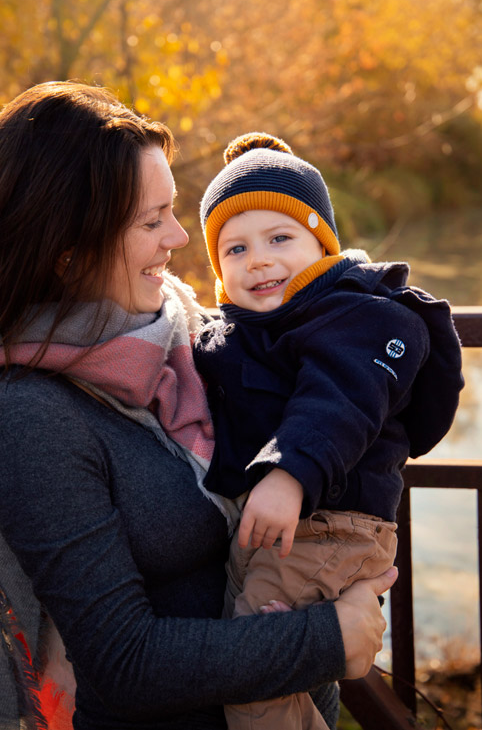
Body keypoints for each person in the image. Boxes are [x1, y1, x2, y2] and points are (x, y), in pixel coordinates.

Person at [0, 82, 395, 730]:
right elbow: (123, 659)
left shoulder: (187, 335)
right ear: (67, 247)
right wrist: (328, 638)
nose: (177, 236)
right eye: (151, 220)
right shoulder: (25, 416)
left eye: (172, 211)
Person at [193, 132, 464, 730]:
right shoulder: (252, 329)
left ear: (323, 242)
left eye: (280, 238)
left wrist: (290, 474)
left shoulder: (356, 316)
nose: (258, 259)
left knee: (253, 675)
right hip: (291, 533)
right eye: (234, 249)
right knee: (273, 666)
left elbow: (339, 401)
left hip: (332, 526)